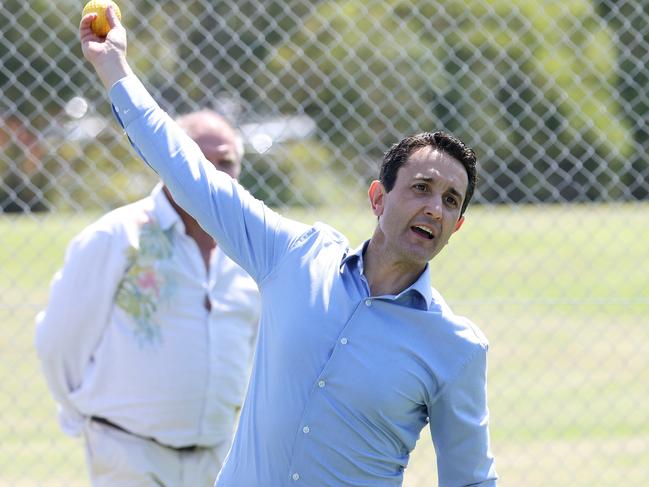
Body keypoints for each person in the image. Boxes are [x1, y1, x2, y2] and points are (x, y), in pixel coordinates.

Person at [77, 7, 498, 486]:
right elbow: (192, 176)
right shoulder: (295, 256)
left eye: (450, 201)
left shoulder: (455, 348)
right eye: (421, 188)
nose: (434, 209)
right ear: (378, 198)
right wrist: (114, 68)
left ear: (457, 226)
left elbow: (471, 481)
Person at [34, 108, 261, 487]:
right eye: (200, 161)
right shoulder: (117, 237)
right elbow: (59, 342)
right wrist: (86, 419)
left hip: (219, 457)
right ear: (168, 160)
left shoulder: (252, 247)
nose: (214, 174)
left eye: (226, 162)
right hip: (128, 454)